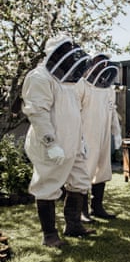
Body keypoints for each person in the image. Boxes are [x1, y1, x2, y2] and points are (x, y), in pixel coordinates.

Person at [22, 33, 96, 247]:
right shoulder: (39, 77)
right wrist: (50, 143)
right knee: (47, 185)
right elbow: (38, 113)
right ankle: (50, 235)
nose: (68, 54)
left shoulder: (68, 82)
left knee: (81, 181)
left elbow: (74, 114)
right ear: (55, 53)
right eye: (64, 50)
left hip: (72, 144)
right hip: (50, 146)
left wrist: (81, 140)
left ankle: (73, 225)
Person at [76, 54, 122, 221]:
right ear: (92, 64)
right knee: (84, 172)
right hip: (85, 135)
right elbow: (74, 112)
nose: (103, 66)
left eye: (105, 63)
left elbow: (112, 111)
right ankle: (82, 211)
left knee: (102, 169)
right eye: (99, 63)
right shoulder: (81, 85)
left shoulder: (109, 90)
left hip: (103, 136)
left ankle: (97, 207)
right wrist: (78, 138)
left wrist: (116, 133)